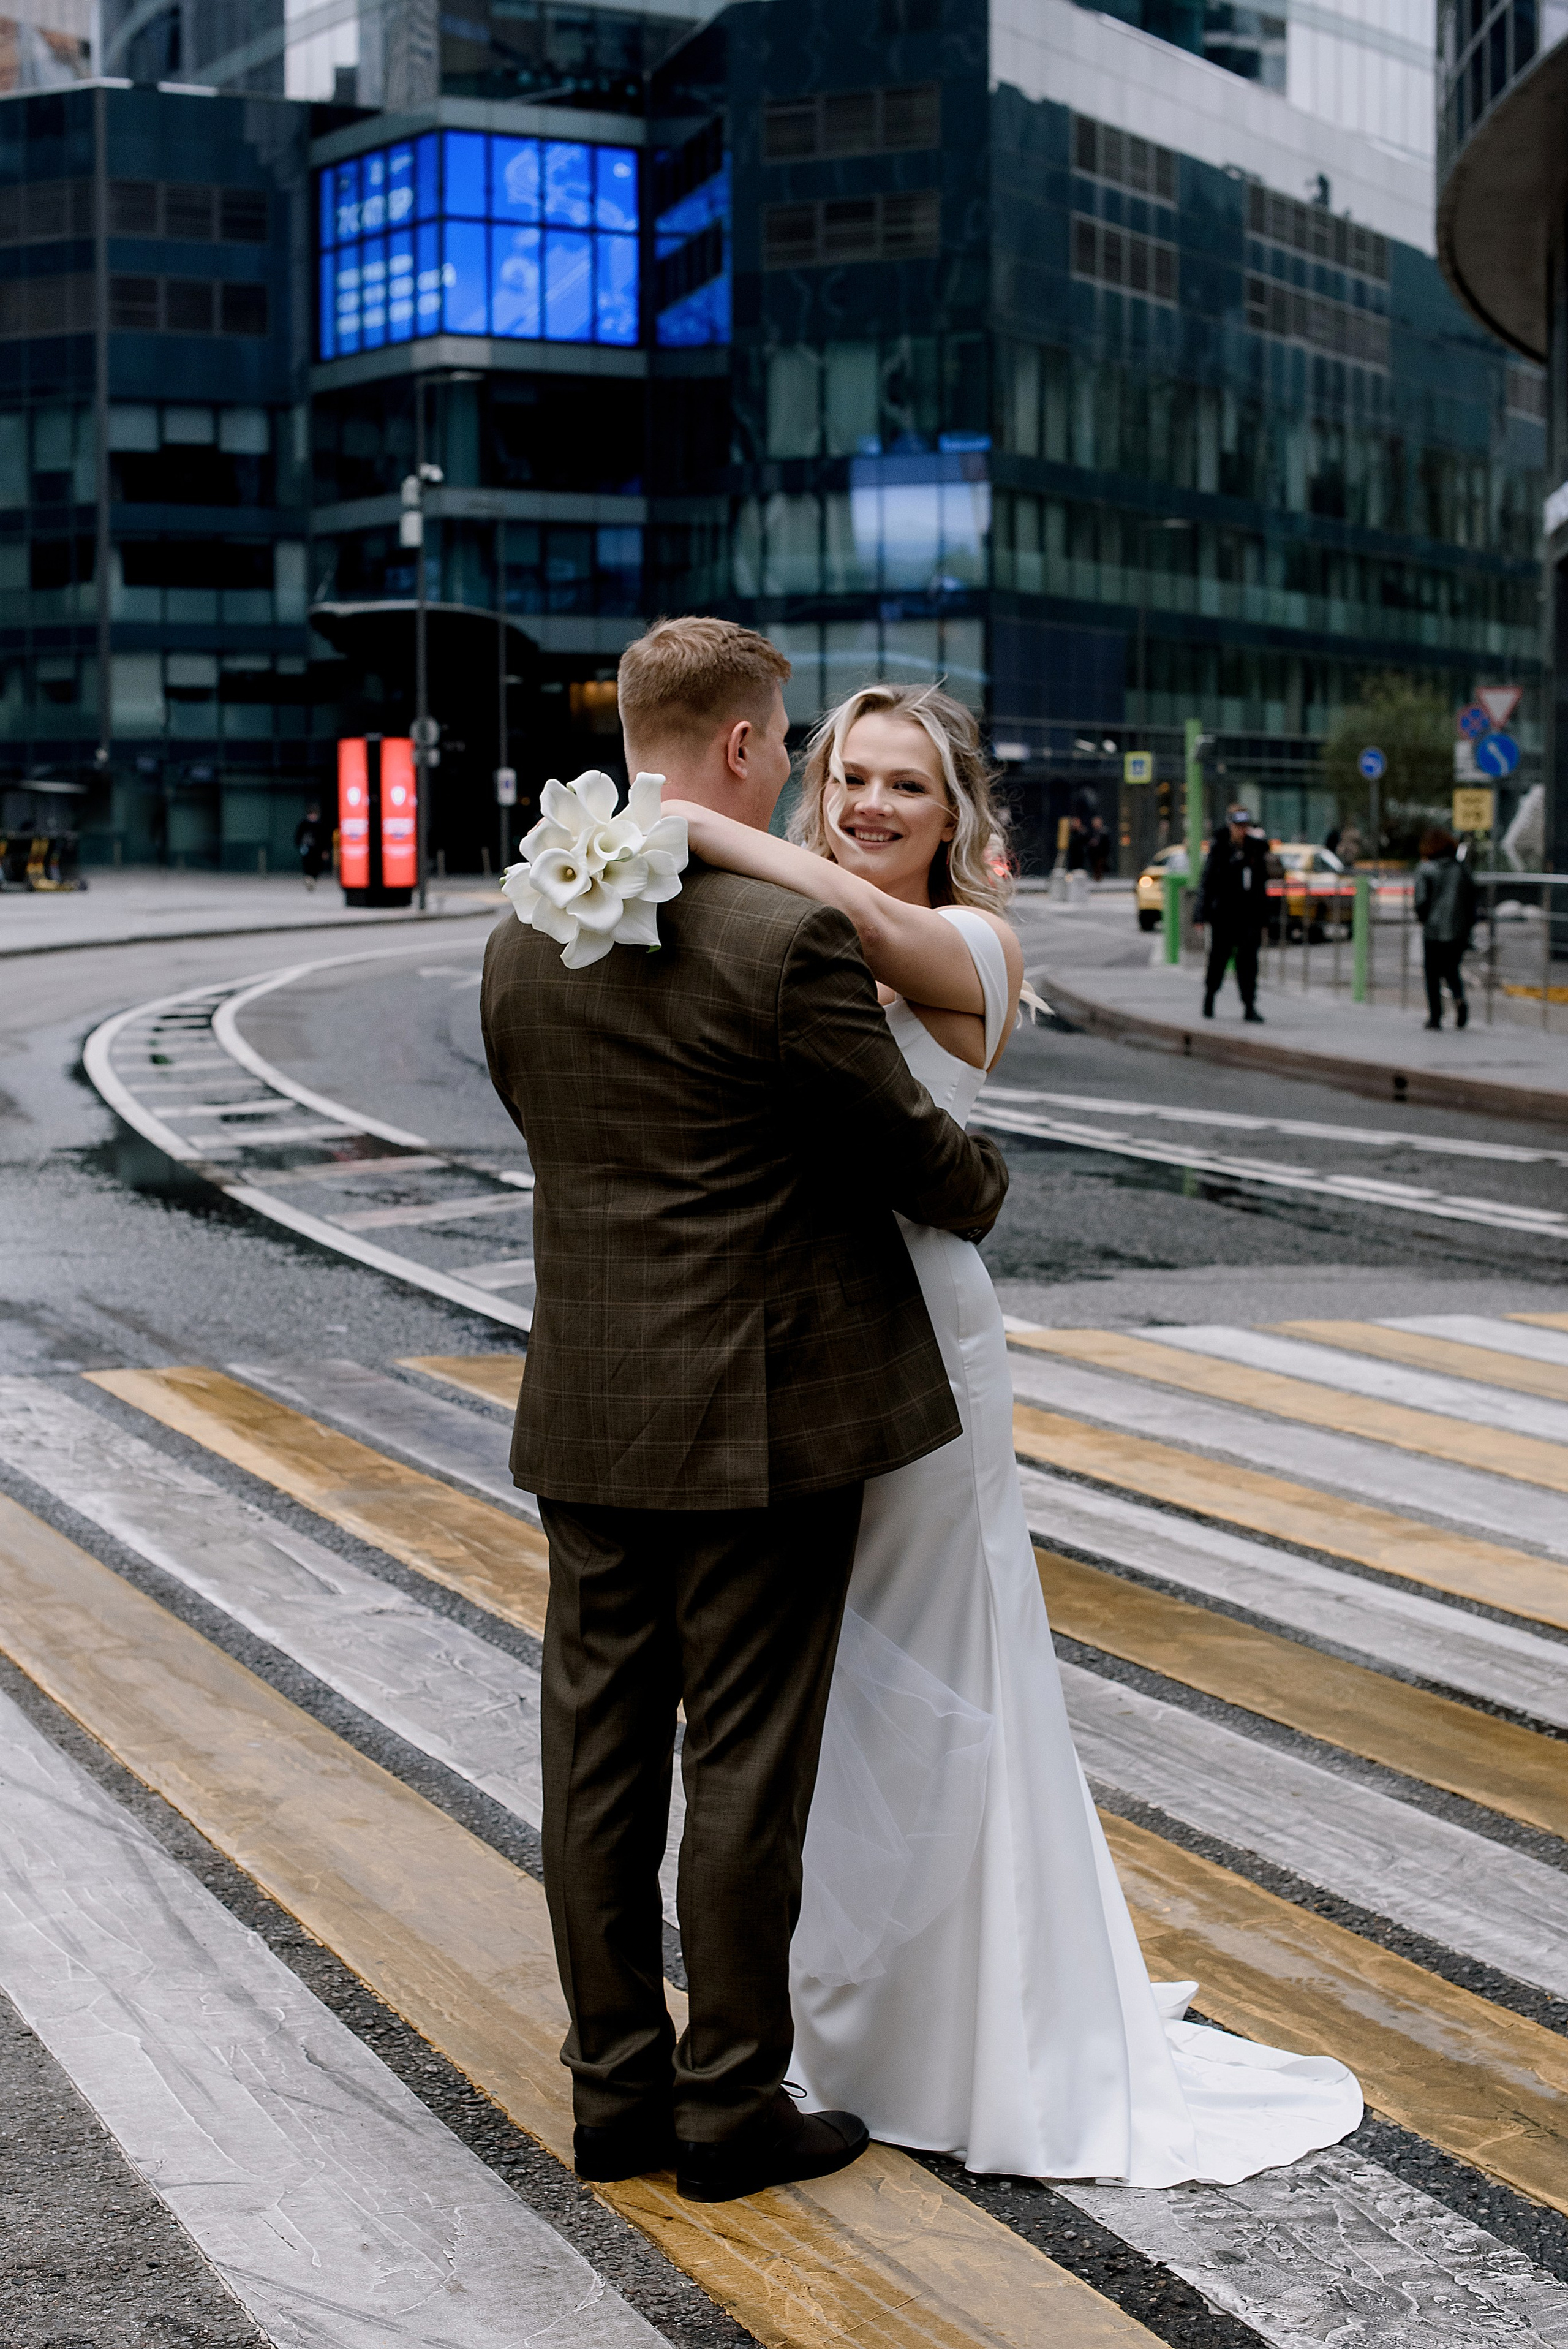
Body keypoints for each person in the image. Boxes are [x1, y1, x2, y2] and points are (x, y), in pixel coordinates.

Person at [669, 683, 1362, 2185]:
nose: (864, 803)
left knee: (941, 1668)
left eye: (901, 786)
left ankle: (964, 2018)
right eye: (845, 774)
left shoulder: (971, 944)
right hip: (799, 1339)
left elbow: (861, 922)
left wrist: (689, 826)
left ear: (954, 812)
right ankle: (838, 2008)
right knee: (838, 1685)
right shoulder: (788, 919)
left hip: (923, 1337)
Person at [479, 619, 1009, 2206]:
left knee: (596, 1766)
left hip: (588, 1410)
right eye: (786, 743)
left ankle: (610, 2100)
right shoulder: (780, 946)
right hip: (760, 1428)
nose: (793, 770)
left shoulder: (523, 939)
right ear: (734, 749)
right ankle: (728, 2105)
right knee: (745, 1773)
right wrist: (977, 1174)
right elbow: (931, 1168)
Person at [1196, 803, 1270, 1023]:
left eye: (1245, 826)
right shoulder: (1219, 849)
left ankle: (1249, 1005)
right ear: (1230, 825)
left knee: (1248, 962)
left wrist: (1264, 918)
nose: (1242, 830)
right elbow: (1207, 882)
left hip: (1249, 916)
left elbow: (1261, 886)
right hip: (1224, 915)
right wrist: (1200, 915)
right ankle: (1210, 997)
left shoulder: (1255, 849)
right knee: (1218, 958)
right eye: (1238, 826)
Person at [1414, 825, 1477, 1029]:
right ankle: (1459, 999)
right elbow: (1471, 901)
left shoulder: (1425, 869)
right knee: (1452, 970)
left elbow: (1421, 902)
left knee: (1432, 973)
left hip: (1433, 930)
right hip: (1459, 930)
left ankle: (1435, 1016)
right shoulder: (1461, 869)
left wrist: (1424, 919)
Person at [294, 803, 329, 890]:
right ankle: (309, 879)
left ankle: (312, 880)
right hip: (307, 849)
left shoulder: (320, 825)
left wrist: (325, 850)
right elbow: (298, 836)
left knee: (318, 866)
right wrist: (299, 845)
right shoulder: (303, 824)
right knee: (307, 864)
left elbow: (325, 838)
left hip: (318, 850)